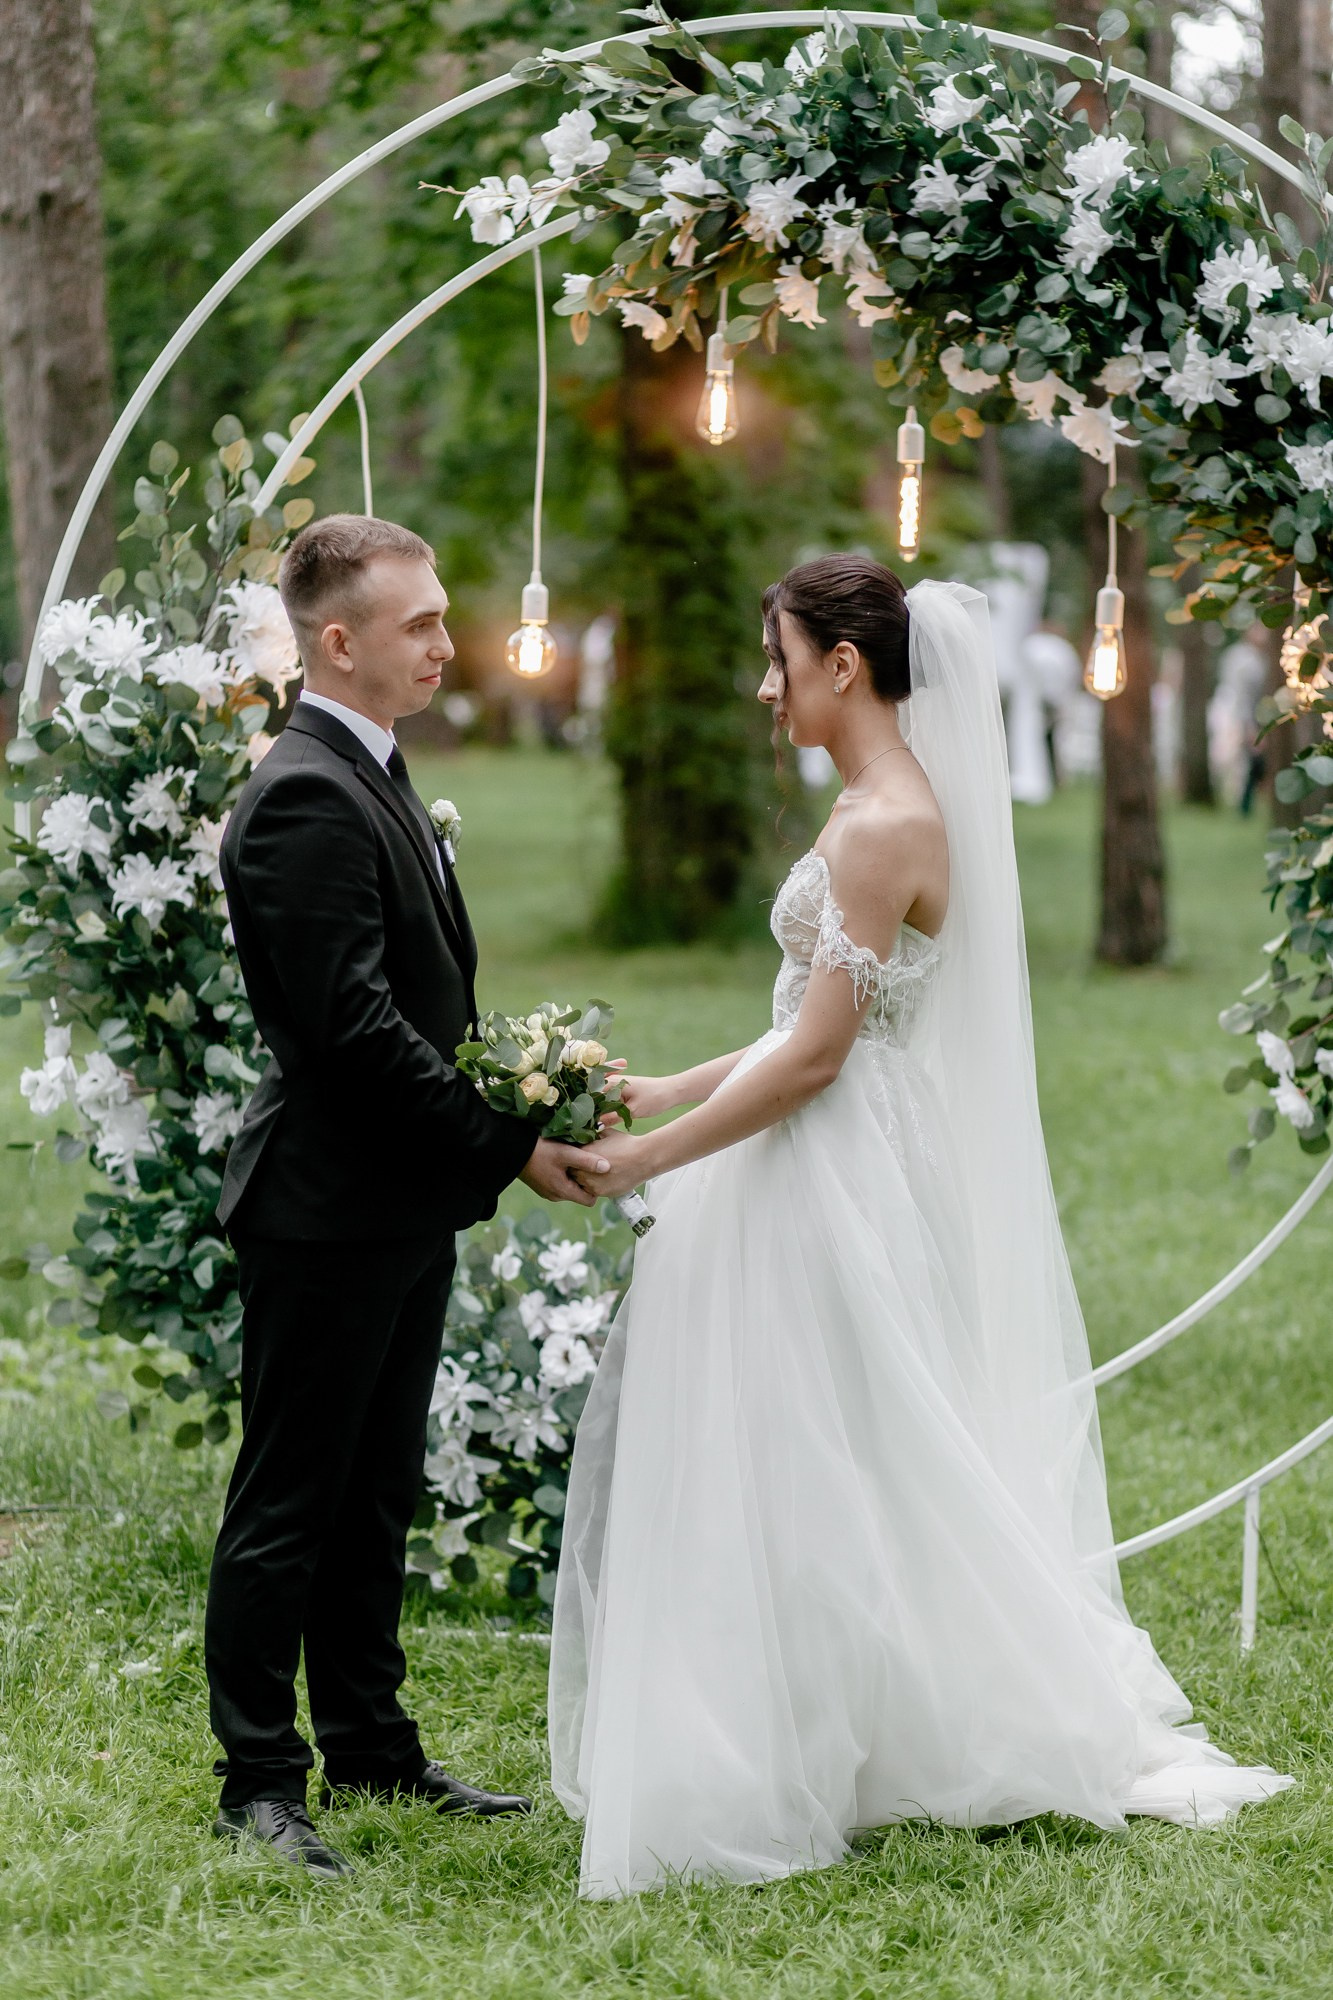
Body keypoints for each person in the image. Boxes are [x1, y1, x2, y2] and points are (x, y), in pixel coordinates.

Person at [553, 556, 1293, 1900]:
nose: (764, 687)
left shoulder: (881, 823)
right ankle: (821, 1714)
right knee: (824, 1440)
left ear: (842, 664)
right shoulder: (867, 805)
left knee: (842, 1439)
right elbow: (804, 1017)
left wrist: (650, 1156)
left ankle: (840, 1730)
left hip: (833, 1160)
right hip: (825, 1142)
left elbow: (817, 1057)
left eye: (777, 659)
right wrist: (662, 1087)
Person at [206, 515, 606, 1879]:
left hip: (397, 1202)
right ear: (338, 641)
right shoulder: (303, 793)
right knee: (290, 1501)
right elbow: (355, 1033)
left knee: (375, 1492)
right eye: (420, 622)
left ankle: (372, 1745)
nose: (446, 641)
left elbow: (421, 1005)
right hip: (322, 1209)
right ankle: (259, 1782)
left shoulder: (372, 766)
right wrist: (508, 1144)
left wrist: (498, 1122)